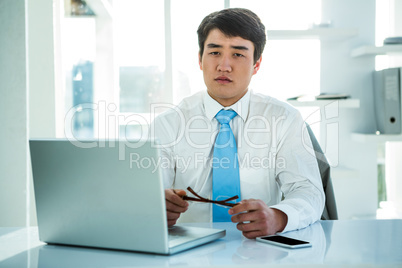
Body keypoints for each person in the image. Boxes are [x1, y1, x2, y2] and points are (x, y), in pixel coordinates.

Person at [152, 8, 325, 239]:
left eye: (238, 54)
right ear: (200, 59)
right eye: (214, 52)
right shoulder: (167, 124)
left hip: (262, 248)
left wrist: (278, 217)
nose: (224, 66)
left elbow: (309, 192)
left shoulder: (284, 119)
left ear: (256, 64)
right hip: (186, 250)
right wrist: (155, 207)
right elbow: (147, 194)